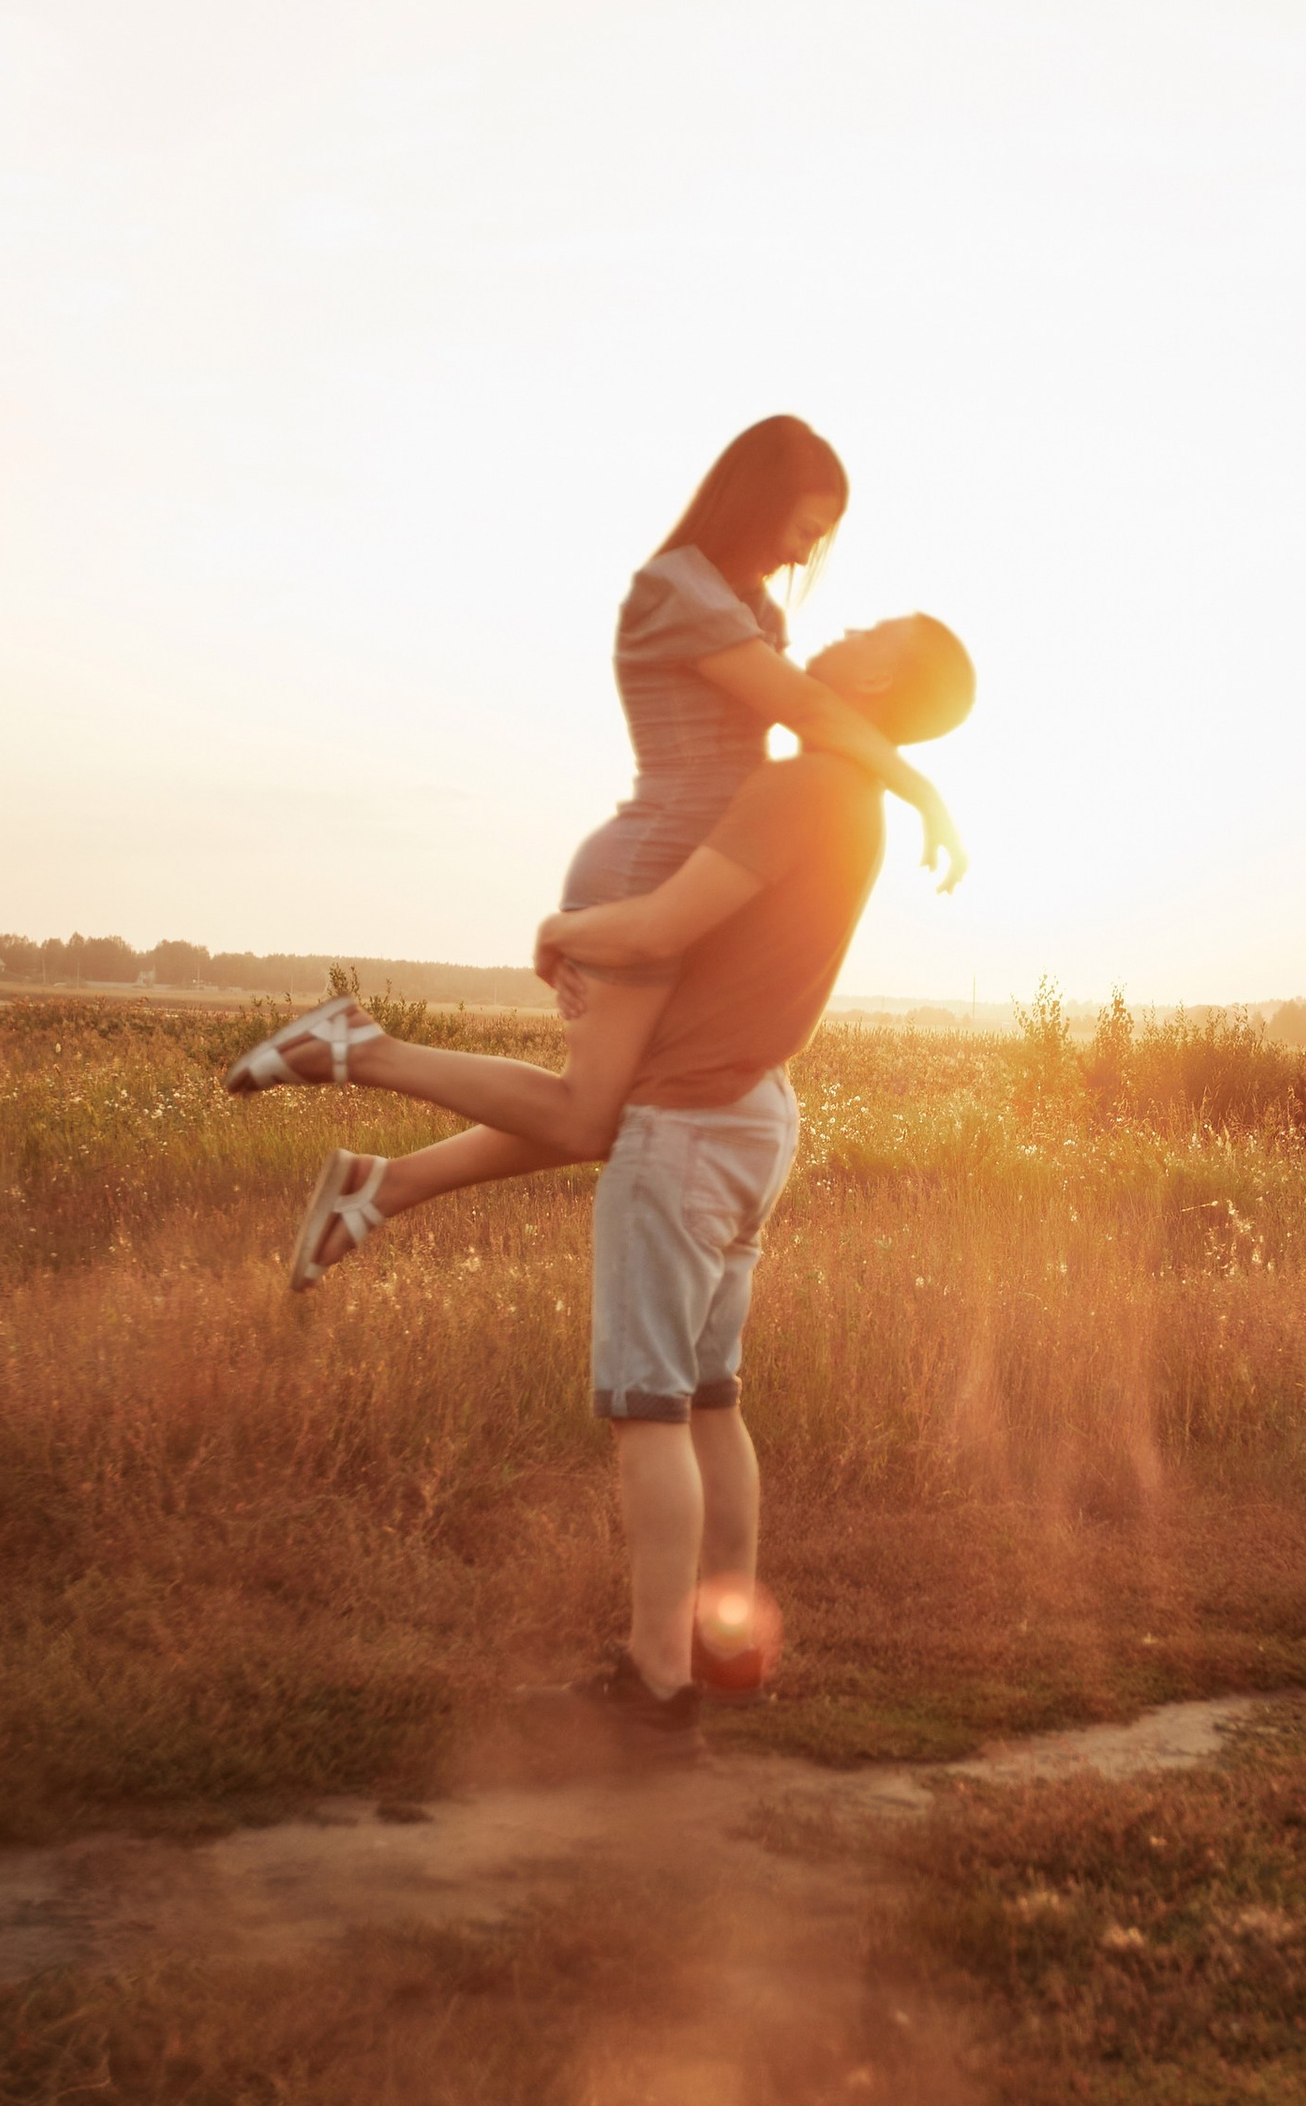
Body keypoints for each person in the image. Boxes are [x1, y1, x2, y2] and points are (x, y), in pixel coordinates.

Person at [249, 610, 977, 1741]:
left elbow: (663, 927)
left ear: (884, 674)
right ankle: (721, 1656)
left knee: (649, 1415)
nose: (841, 630)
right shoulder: (857, 807)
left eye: (871, 628)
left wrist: (565, 928)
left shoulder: (800, 789)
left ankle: (653, 1685)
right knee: (712, 1404)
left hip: (688, 1131)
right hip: (756, 1117)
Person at [225, 417, 965, 1287]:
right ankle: (356, 1048)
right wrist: (923, 793)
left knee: (635, 1112)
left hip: (699, 871)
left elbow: (812, 724)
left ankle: (380, 1184)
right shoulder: (680, 592)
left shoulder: (750, 607)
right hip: (651, 867)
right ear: (758, 503)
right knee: (589, 1116)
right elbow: (813, 713)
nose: (806, 560)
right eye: (803, 532)